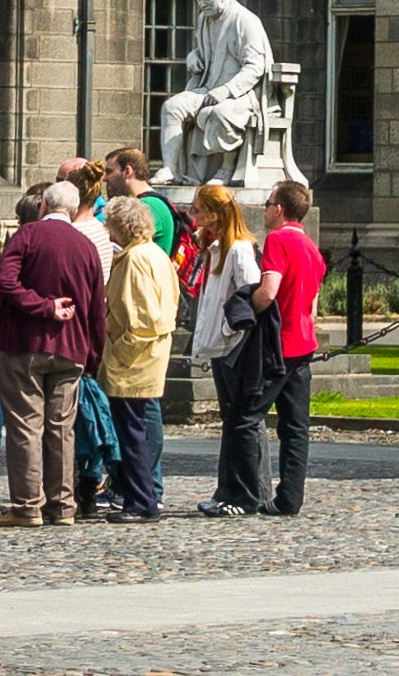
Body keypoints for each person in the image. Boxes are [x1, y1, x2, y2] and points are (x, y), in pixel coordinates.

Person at [0, 179, 99, 524]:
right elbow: (97, 308)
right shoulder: (86, 246)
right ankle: (63, 506)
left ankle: (26, 506)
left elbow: (4, 281)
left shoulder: (28, 235)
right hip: (71, 348)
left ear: (43, 207)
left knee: (25, 426)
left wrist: (41, 306)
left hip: (25, 344)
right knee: (61, 429)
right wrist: (93, 355)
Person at [175, 195, 269, 512]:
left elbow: (250, 295)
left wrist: (230, 330)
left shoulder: (239, 249)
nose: (193, 214)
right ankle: (227, 490)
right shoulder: (216, 249)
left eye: (199, 209)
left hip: (236, 347)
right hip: (222, 345)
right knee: (230, 421)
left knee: (241, 421)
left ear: (215, 214)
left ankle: (245, 494)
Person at [94, 181, 179, 523]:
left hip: (135, 360)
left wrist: (117, 354)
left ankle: (141, 501)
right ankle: (138, 497)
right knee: (134, 430)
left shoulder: (135, 260)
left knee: (131, 433)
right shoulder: (153, 254)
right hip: (146, 356)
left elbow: (141, 320)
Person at [251, 177, 329, 518]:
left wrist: (244, 308)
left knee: (246, 416)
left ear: (279, 209)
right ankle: (290, 497)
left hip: (278, 343)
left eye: (268, 204)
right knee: (295, 426)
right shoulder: (312, 247)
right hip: (303, 341)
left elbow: (269, 291)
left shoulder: (277, 240)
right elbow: (312, 303)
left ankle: (245, 490)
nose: (265, 210)